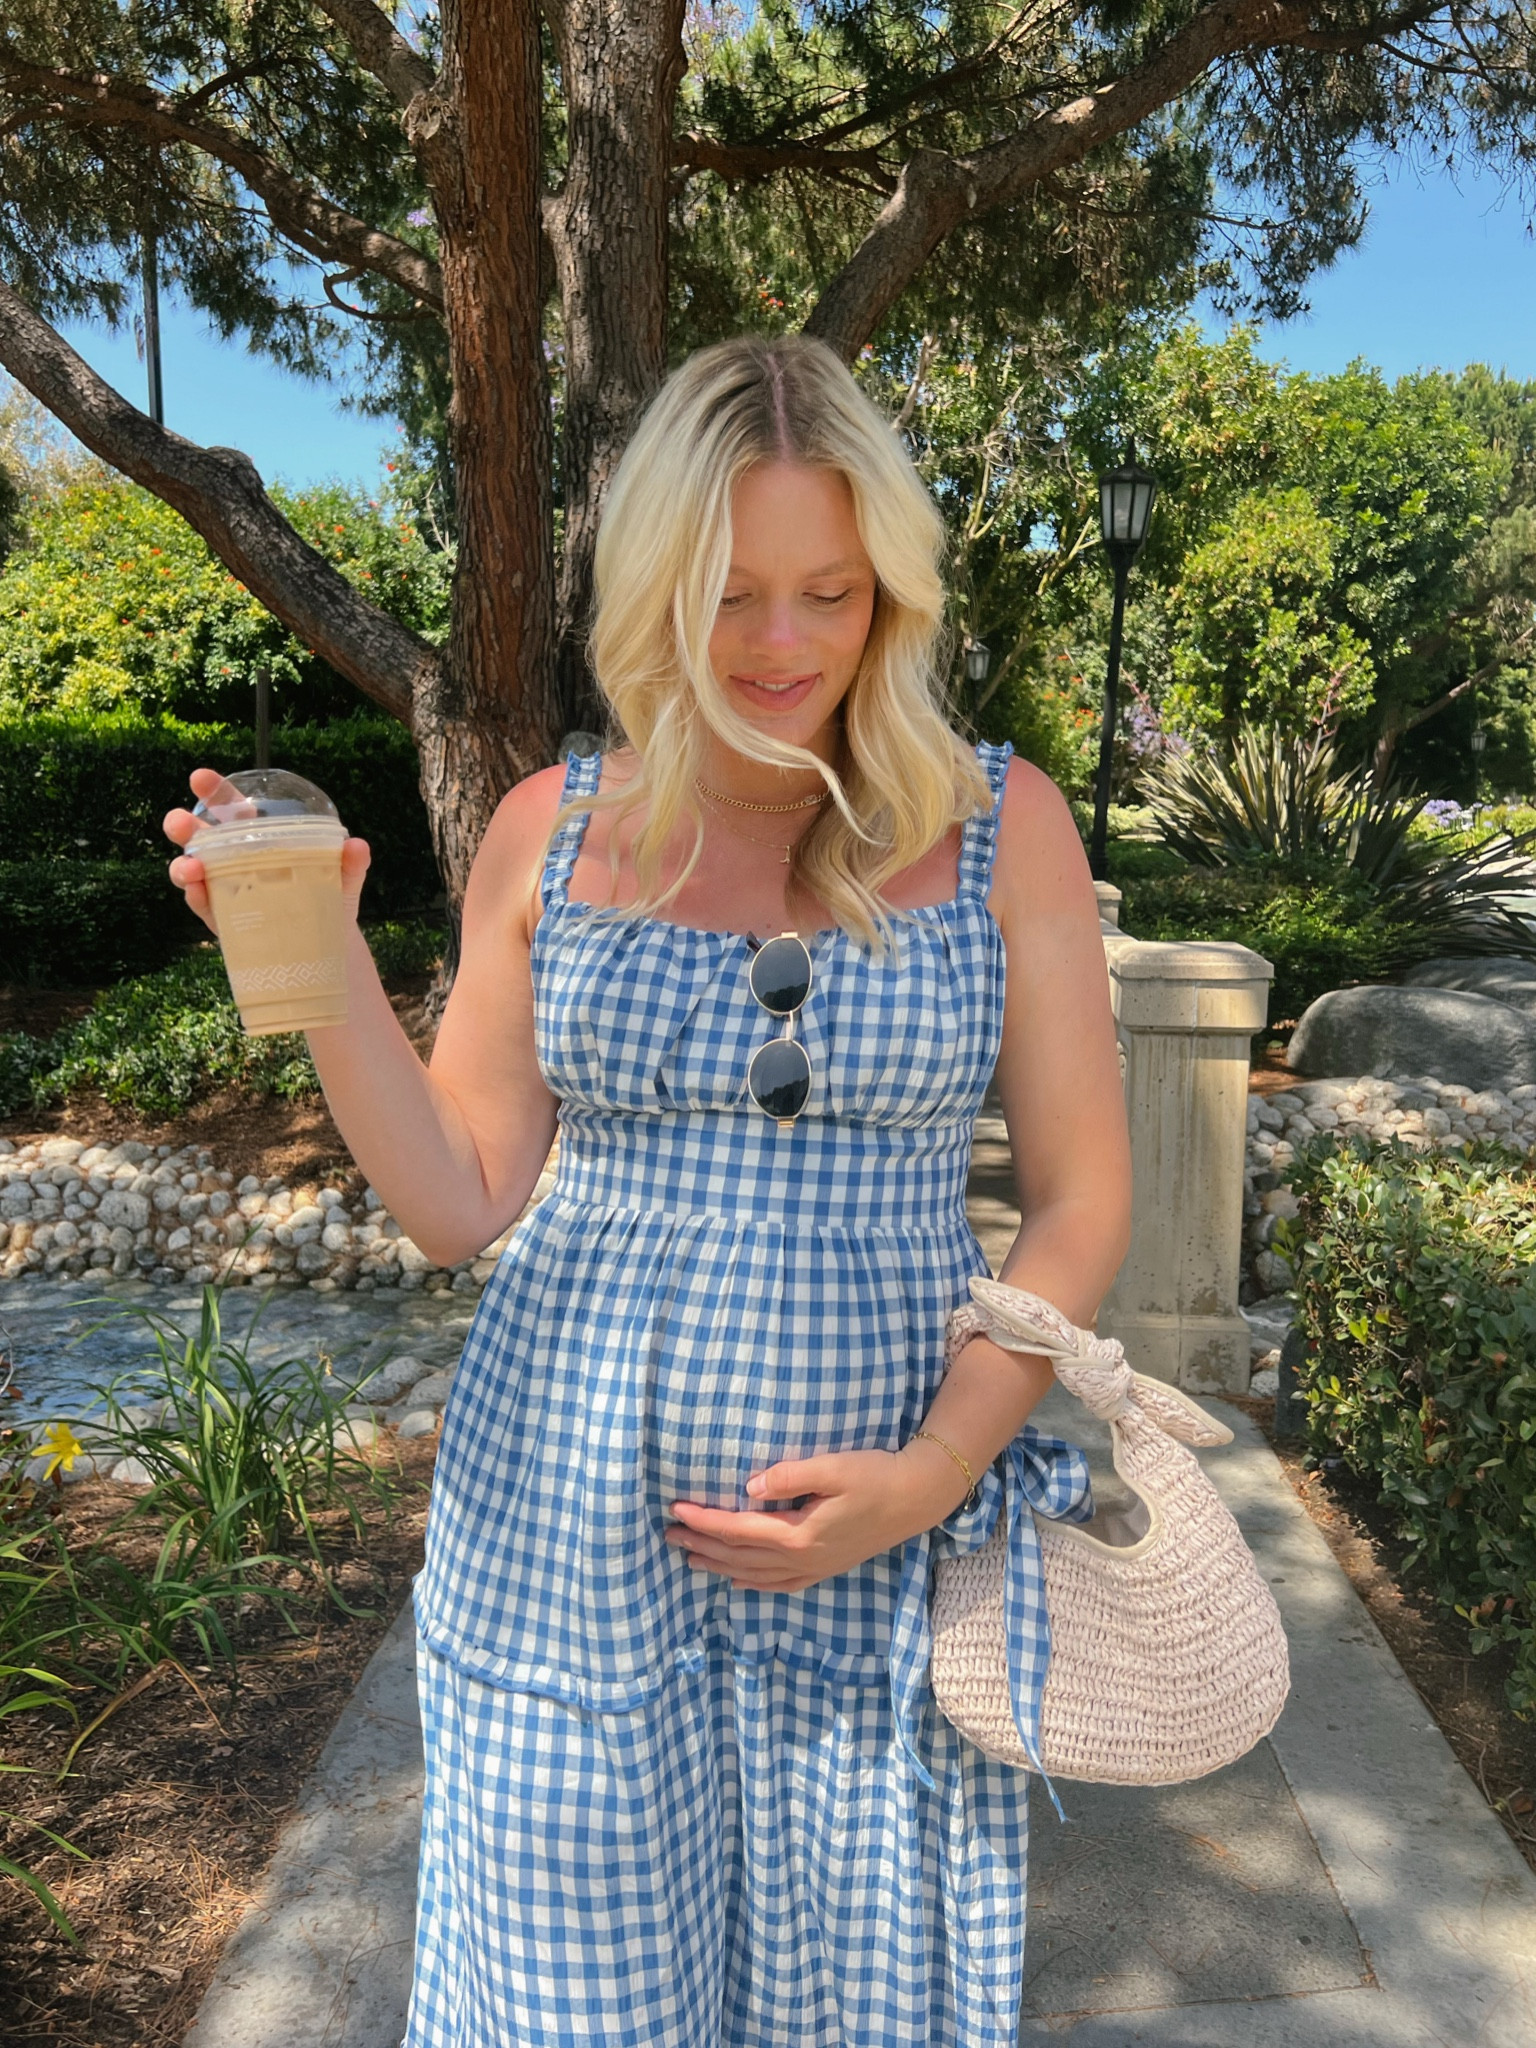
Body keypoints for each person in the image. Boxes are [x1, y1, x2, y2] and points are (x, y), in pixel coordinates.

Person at [165, 333, 1131, 2047]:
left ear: (888, 596)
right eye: (729, 591)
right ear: (653, 590)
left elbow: (1076, 1206)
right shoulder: (553, 821)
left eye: (828, 594)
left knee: (848, 2003)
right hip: (570, 1554)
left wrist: (933, 1470)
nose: (778, 646)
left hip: (874, 1563)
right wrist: (304, 953)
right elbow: (462, 1196)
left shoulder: (1000, 822)